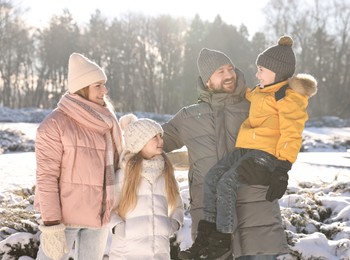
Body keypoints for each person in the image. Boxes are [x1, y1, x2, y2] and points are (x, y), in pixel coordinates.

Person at [183, 36, 318, 259]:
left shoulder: (287, 97)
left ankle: (222, 239)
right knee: (212, 177)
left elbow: (292, 133)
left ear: (276, 71)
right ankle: (205, 235)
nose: (257, 74)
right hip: (245, 149)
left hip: (264, 155)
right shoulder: (260, 92)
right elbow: (245, 94)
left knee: (227, 183)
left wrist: (283, 167)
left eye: (261, 69)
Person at [163, 48, 287, 260]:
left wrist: (278, 170)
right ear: (207, 80)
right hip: (211, 235)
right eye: (220, 71)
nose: (229, 75)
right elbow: (152, 141)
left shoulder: (256, 106)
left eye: (230, 69)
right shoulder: (188, 117)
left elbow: (285, 137)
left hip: (258, 221)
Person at [34, 53, 123, 260]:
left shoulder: (107, 122)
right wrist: (51, 224)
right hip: (64, 221)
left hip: (98, 217)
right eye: (98, 85)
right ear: (82, 88)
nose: (105, 90)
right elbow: (46, 177)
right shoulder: (54, 125)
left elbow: (118, 163)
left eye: (104, 84)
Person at [109, 114, 184, 259]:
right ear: (139, 143)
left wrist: (174, 223)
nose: (161, 140)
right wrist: (119, 228)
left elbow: (177, 204)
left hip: (159, 253)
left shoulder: (166, 172)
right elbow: (108, 209)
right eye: (154, 137)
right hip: (127, 252)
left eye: (160, 136)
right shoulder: (124, 174)